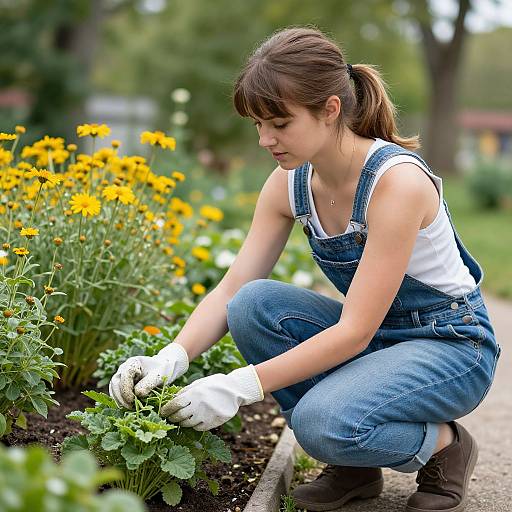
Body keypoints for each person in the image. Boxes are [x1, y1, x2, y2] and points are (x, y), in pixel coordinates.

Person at [109, 27, 501, 512]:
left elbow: (355, 331)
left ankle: (444, 447)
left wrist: (239, 385)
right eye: (257, 124)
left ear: (330, 109)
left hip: (450, 346)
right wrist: (173, 355)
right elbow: (234, 286)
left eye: (279, 123)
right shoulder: (288, 185)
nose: (265, 139)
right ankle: (354, 469)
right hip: (381, 339)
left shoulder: (396, 184)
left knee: (321, 424)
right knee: (252, 305)